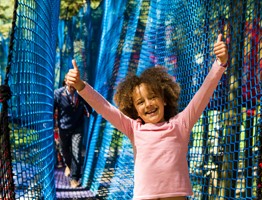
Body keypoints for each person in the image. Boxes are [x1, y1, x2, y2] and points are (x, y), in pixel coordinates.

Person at [66, 34, 228, 199]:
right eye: (141, 102)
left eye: (152, 97)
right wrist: (80, 85)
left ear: (164, 99)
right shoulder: (134, 128)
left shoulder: (181, 124)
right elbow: (105, 108)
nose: (148, 104)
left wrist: (219, 63)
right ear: (135, 109)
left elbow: (203, 95)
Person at [54, 77, 92, 188]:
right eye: (70, 81)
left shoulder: (81, 93)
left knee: (76, 152)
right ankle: (69, 165)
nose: (72, 83)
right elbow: (52, 110)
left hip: (77, 127)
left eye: (74, 81)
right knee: (64, 150)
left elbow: (88, 105)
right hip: (64, 127)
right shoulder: (58, 94)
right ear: (65, 81)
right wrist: (53, 126)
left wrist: (89, 112)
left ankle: (74, 178)